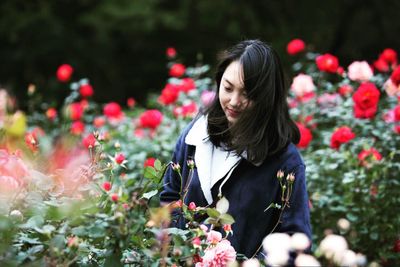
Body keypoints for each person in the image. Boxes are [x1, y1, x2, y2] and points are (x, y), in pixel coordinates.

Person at [160, 39, 312, 258]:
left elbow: (295, 240)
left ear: (267, 97)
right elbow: (170, 195)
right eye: (228, 88)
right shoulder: (195, 135)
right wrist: (175, 251)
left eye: (247, 94)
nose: (233, 101)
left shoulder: (284, 161)